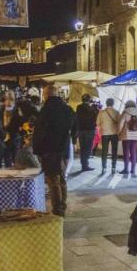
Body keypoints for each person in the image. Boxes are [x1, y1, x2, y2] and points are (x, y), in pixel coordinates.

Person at [33, 85, 75, 217]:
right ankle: (63, 203)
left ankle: (57, 208)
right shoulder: (67, 109)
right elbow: (74, 125)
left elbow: (39, 132)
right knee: (61, 177)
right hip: (64, 147)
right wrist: (71, 139)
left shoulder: (46, 110)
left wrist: (37, 150)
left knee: (53, 179)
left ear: (46, 95)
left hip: (49, 148)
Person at [118, 100, 137, 178]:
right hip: (136, 137)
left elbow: (120, 125)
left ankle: (126, 169)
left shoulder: (125, 113)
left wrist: (118, 133)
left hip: (126, 136)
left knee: (126, 152)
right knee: (133, 152)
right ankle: (133, 170)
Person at [74, 94, 98, 173]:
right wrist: (96, 109)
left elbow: (77, 118)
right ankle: (85, 165)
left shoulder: (79, 107)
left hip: (80, 130)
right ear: (89, 100)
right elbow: (95, 118)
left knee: (83, 147)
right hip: (89, 130)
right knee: (88, 147)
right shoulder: (92, 108)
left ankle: (84, 164)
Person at [97, 98, 121, 174]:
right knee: (114, 151)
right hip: (114, 133)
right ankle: (113, 167)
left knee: (104, 151)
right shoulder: (116, 112)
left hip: (104, 133)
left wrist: (103, 126)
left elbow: (97, 123)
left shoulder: (101, 113)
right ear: (113, 104)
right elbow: (120, 123)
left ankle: (104, 168)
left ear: (106, 103)